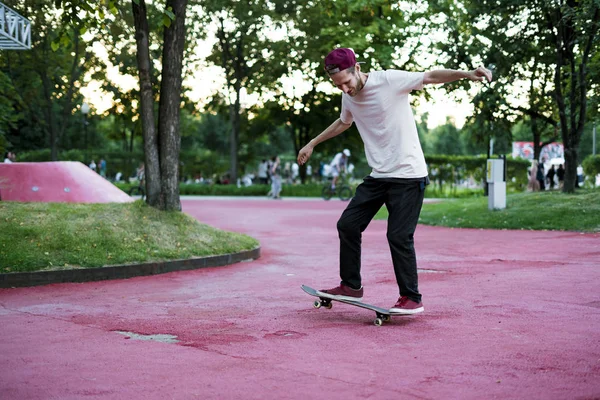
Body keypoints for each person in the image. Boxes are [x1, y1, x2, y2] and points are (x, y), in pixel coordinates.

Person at [297, 47, 492, 315]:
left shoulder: (388, 80)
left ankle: (411, 297)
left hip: (409, 175)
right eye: (338, 85)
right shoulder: (349, 96)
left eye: (346, 82)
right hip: (379, 176)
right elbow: (344, 122)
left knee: (398, 235)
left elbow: (430, 76)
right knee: (348, 225)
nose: (344, 89)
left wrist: (466, 74)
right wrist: (312, 143)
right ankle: (351, 285)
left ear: (357, 69)